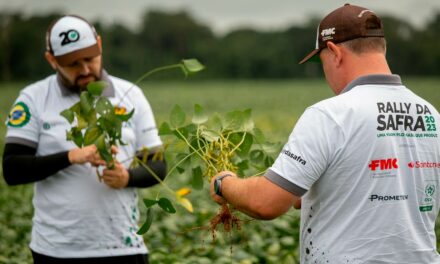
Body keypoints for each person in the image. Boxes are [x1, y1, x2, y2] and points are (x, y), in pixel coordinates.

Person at [210, 4, 440, 263]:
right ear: (381, 48)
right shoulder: (431, 114)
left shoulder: (331, 115)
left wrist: (224, 183)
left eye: (322, 62)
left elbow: (266, 203)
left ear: (334, 52)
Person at [2, 15, 166, 264]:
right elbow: (12, 169)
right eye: (73, 64)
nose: (85, 70)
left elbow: (158, 166)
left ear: (99, 45)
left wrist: (127, 178)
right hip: (56, 251)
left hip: (124, 248)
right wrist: (71, 156)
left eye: (90, 58)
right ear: (51, 60)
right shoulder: (32, 98)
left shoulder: (132, 95)